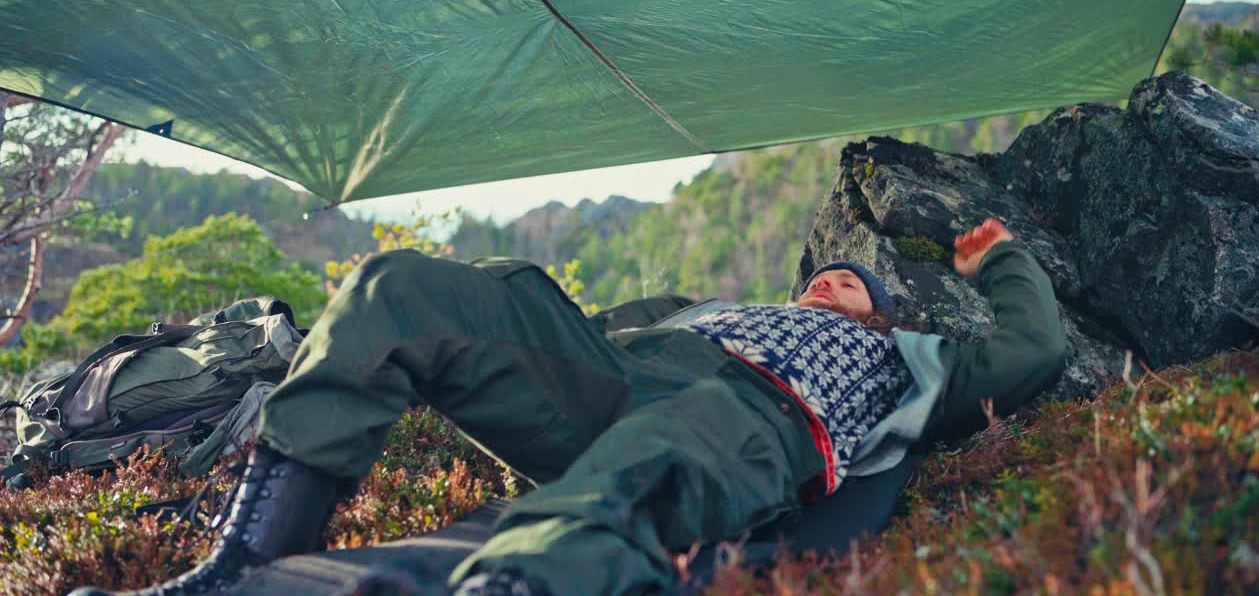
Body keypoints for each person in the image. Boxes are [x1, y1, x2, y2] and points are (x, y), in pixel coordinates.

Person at [72, 217, 1068, 596]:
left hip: (753, 416)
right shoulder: (698, 306)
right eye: (817, 279)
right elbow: (554, 332)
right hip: (616, 376)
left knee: (657, 450)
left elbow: (1035, 350)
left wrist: (998, 260)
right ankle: (241, 560)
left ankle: (521, 586)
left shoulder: (911, 358)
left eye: (847, 286)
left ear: (878, 310)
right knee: (397, 290)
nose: (825, 288)